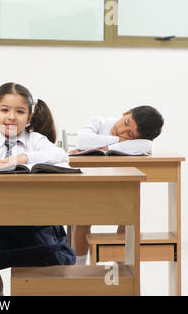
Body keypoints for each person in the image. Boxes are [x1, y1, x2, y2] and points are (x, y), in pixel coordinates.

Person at [0, 82, 76, 296]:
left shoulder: (36, 140)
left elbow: (60, 155)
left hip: (34, 220)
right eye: (5, 110)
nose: (12, 116)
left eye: (20, 111)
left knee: (47, 249)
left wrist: (23, 157)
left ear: (29, 116)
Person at [69, 105, 164, 265]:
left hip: (119, 184)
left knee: (127, 216)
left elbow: (147, 146)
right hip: (89, 182)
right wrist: (118, 142)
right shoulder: (98, 122)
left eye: (130, 135)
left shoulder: (144, 142)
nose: (122, 131)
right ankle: (79, 269)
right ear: (126, 113)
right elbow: (82, 140)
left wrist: (103, 148)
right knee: (83, 219)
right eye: (126, 122)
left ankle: (121, 268)